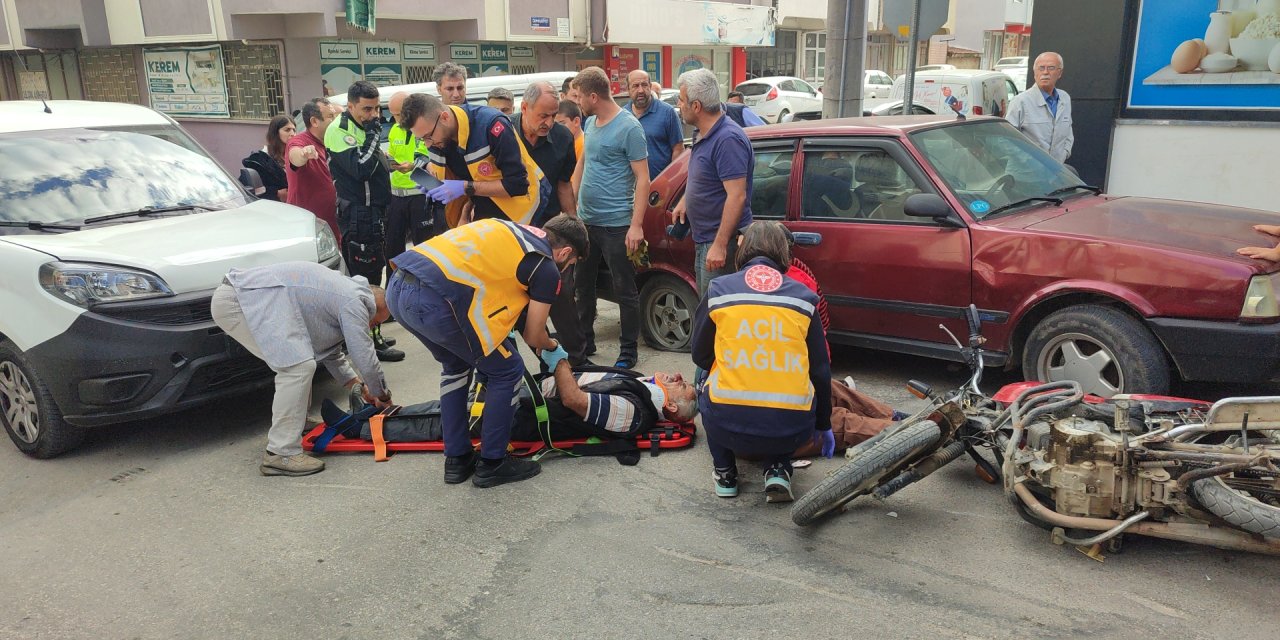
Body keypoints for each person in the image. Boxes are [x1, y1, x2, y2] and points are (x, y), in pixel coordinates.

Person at [385, 214, 589, 487]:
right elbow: (534, 334)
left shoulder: (508, 229)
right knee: (508, 370)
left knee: (456, 366)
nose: (567, 269)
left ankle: (457, 459)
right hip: (435, 301)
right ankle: (493, 463)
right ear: (565, 252)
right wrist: (554, 349)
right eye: (571, 263)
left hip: (398, 288)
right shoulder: (546, 266)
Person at [691, 221, 834, 502]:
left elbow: (700, 354)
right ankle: (779, 468)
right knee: (789, 387)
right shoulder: (804, 297)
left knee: (701, 378)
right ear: (783, 253)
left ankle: (725, 472)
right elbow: (820, 369)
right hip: (793, 430)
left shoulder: (720, 289)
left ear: (742, 249)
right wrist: (824, 423)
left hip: (726, 425)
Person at [210, 261, 393, 477]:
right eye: (373, 323)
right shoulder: (355, 302)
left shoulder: (343, 293)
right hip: (239, 301)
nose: (370, 327)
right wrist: (381, 393)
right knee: (296, 367)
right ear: (374, 307)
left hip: (245, 296)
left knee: (302, 360)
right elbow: (364, 353)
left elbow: (329, 352)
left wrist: (360, 387)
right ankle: (281, 453)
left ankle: (298, 424)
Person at [569, 66, 650, 370]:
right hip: (587, 220)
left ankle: (628, 349)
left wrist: (636, 224)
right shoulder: (590, 122)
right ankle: (585, 341)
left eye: (579, 97)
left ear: (593, 95)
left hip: (617, 224)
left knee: (624, 288)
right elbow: (583, 164)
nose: (577, 102)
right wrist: (572, 206)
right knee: (582, 284)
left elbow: (643, 179)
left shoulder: (629, 128)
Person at [325, 80, 404, 362]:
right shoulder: (339, 131)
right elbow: (360, 169)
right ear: (350, 106)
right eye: (366, 109)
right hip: (358, 214)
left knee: (373, 274)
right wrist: (373, 136)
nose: (373, 115)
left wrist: (390, 162)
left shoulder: (361, 129)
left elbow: (373, 162)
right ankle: (368, 343)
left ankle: (374, 334)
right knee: (364, 281)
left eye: (376, 108)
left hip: (374, 212)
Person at [513, 81, 588, 366]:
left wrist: (574, 226)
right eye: (542, 115)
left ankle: (577, 361)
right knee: (521, 300)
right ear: (524, 108)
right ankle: (548, 360)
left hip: (550, 231)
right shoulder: (505, 133)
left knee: (563, 294)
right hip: (513, 232)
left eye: (553, 115)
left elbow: (563, 185)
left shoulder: (562, 138)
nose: (548, 122)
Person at [400, 92, 549, 226]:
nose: (427, 144)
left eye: (428, 136)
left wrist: (463, 188)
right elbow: (462, 176)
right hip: (483, 214)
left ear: (444, 117)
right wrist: (435, 184)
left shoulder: (492, 125)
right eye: (421, 139)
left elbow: (517, 185)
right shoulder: (437, 135)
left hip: (524, 212)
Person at [672, 68, 754, 296]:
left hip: (720, 242)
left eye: (681, 100)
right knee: (706, 308)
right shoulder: (704, 132)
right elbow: (706, 174)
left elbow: (737, 196)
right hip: (705, 238)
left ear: (696, 106)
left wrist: (719, 245)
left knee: (716, 312)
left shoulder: (728, 139)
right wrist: (686, 198)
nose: (679, 105)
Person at [385, 92, 434, 283]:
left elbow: (429, 156)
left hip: (420, 194)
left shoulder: (422, 127)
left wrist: (413, 165)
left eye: (399, 113)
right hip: (397, 195)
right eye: (394, 115)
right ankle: (392, 294)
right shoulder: (395, 129)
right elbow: (394, 153)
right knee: (392, 249)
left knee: (424, 248)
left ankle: (428, 290)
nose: (397, 119)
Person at [285, 98, 340, 243]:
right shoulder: (300, 142)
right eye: (330, 117)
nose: (335, 121)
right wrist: (304, 154)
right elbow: (295, 156)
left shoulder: (333, 141)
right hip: (312, 229)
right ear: (314, 121)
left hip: (336, 223)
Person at [1005, 51, 1074, 164]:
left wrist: (1065, 152)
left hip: (1055, 172)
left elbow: (1068, 132)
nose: (1045, 72)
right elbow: (1007, 139)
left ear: (1060, 73)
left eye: (1051, 68)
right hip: (1026, 174)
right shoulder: (1021, 101)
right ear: (1034, 72)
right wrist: (1029, 161)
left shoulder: (1064, 98)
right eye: (1041, 68)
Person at [625, 70, 685, 180]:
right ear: (628, 89)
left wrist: (670, 180)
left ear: (650, 86)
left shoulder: (667, 112)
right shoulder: (622, 116)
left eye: (644, 85)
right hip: (629, 189)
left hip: (659, 188)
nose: (641, 90)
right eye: (635, 86)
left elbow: (678, 149)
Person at [242, 115, 294, 201]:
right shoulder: (260, 159)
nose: (292, 134)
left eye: (294, 130)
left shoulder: (295, 154)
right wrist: (276, 193)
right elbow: (252, 189)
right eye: (287, 130)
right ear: (275, 132)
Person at [556, 99, 585, 174]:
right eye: (554, 125)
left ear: (576, 122)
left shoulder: (583, 145)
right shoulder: (564, 143)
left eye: (562, 124)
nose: (557, 128)